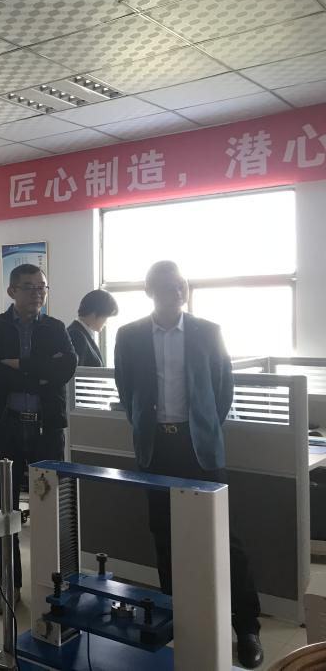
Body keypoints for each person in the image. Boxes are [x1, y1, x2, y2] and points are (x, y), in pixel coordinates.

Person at [113, 260, 263, 669]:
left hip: (200, 449)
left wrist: (202, 427)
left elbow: (223, 389)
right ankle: (177, 615)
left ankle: (246, 626)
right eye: (167, 285)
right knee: (165, 535)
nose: (177, 291)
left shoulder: (207, 331)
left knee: (226, 538)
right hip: (156, 448)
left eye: (180, 284)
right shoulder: (129, 335)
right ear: (149, 291)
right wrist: (149, 427)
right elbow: (127, 390)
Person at [0, 264, 77, 607]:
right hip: (5, 426)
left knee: (49, 508)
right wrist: (40, 372)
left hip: (45, 429)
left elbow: (66, 368)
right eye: (29, 287)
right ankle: (10, 584)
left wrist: (20, 365)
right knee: (4, 510)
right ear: (12, 291)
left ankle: (51, 585)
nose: (37, 293)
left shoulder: (55, 327)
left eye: (42, 287)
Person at [68, 289, 118, 367]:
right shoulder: (76, 335)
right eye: (106, 317)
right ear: (94, 313)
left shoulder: (82, 333)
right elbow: (78, 372)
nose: (106, 323)